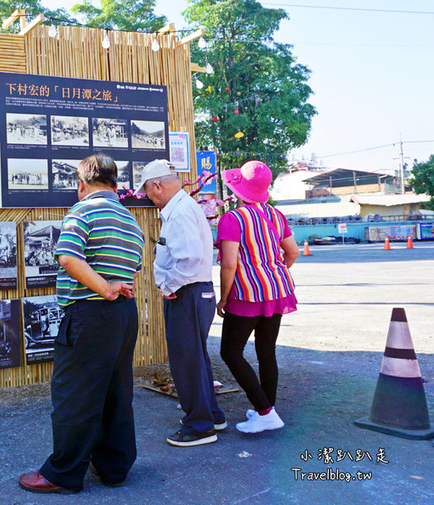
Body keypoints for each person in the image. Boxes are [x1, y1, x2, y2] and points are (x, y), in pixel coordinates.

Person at [19, 153, 144, 494]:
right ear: (115, 184)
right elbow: (133, 268)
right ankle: (114, 467)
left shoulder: (84, 210)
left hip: (90, 312)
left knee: (75, 393)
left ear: (82, 184)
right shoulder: (130, 221)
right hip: (123, 315)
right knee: (116, 392)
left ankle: (63, 473)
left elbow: (68, 256)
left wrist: (103, 288)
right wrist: (112, 284)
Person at [141, 159, 226, 447]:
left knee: (186, 361)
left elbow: (189, 260)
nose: (149, 198)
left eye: (148, 192)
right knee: (196, 358)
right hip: (194, 291)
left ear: (157, 186)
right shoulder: (182, 207)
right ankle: (211, 415)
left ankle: (199, 426)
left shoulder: (178, 212)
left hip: (186, 292)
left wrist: (168, 285)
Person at [216, 160, 299, 433]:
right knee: (266, 351)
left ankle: (265, 412)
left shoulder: (233, 218)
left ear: (238, 190)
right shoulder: (276, 215)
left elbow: (229, 264)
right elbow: (293, 252)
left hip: (247, 294)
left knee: (230, 351)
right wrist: (273, 273)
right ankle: (267, 409)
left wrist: (224, 298)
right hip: (277, 291)